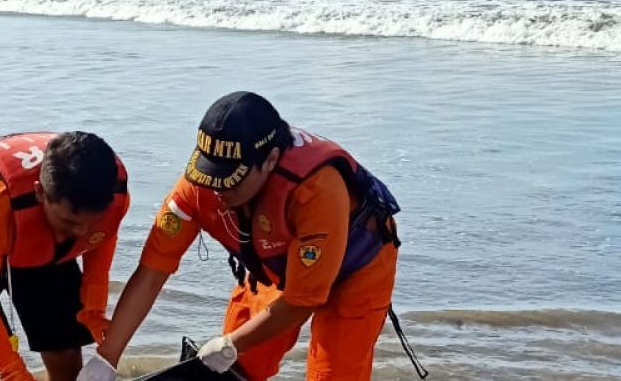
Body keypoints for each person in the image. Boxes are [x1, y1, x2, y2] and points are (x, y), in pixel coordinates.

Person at [80, 92, 404, 381]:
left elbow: (301, 302)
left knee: (333, 374)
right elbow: (152, 272)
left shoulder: (316, 192)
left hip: (357, 268)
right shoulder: (199, 187)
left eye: (231, 180)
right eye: (211, 176)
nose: (218, 189)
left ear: (271, 161)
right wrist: (106, 359)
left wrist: (229, 344)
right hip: (278, 260)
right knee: (237, 371)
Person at [0, 131, 131, 381]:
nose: (81, 232)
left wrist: (94, 310)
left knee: (64, 352)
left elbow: (99, 250)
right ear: (40, 193)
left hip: (46, 248)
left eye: (91, 221)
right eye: (69, 221)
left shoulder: (111, 194)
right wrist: (13, 372)